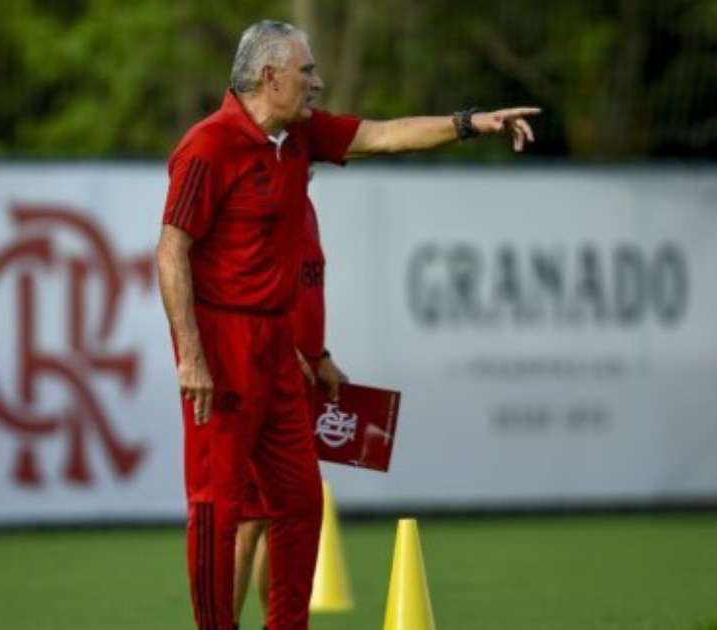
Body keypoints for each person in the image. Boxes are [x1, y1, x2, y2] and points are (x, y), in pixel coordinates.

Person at [156, 19, 538, 630]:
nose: (318, 81)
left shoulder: (299, 136)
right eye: (307, 72)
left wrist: (470, 123)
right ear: (269, 75)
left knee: (300, 502)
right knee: (217, 507)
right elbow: (171, 252)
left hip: (278, 347)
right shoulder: (207, 146)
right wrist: (191, 357)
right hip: (223, 344)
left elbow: (386, 135)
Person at [233, 184, 345, 626]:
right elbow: (240, 291)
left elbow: (302, 295)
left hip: (295, 382)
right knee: (247, 524)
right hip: (258, 379)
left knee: (277, 520)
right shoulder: (257, 207)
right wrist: (281, 348)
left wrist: (322, 355)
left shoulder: (303, 207)